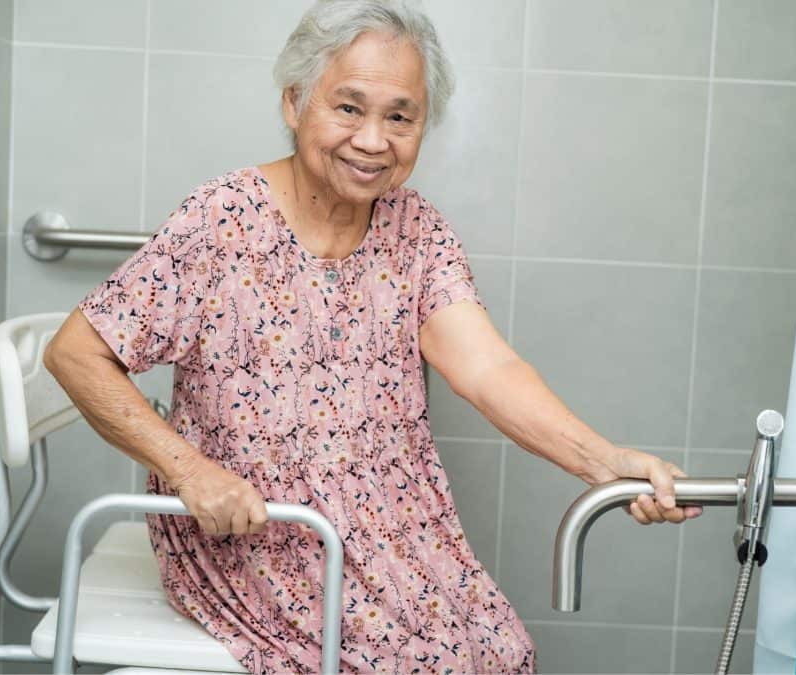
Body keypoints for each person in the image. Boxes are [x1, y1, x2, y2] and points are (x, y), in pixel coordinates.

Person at [44, 1, 702, 672]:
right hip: (257, 531)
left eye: (400, 116)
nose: (372, 140)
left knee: (501, 652)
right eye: (349, 108)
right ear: (295, 102)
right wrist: (190, 472)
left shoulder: (418, 230)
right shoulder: (222, 220)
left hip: (395, 526)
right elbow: (75, 352)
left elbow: (486, 368)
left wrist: (601, 460)